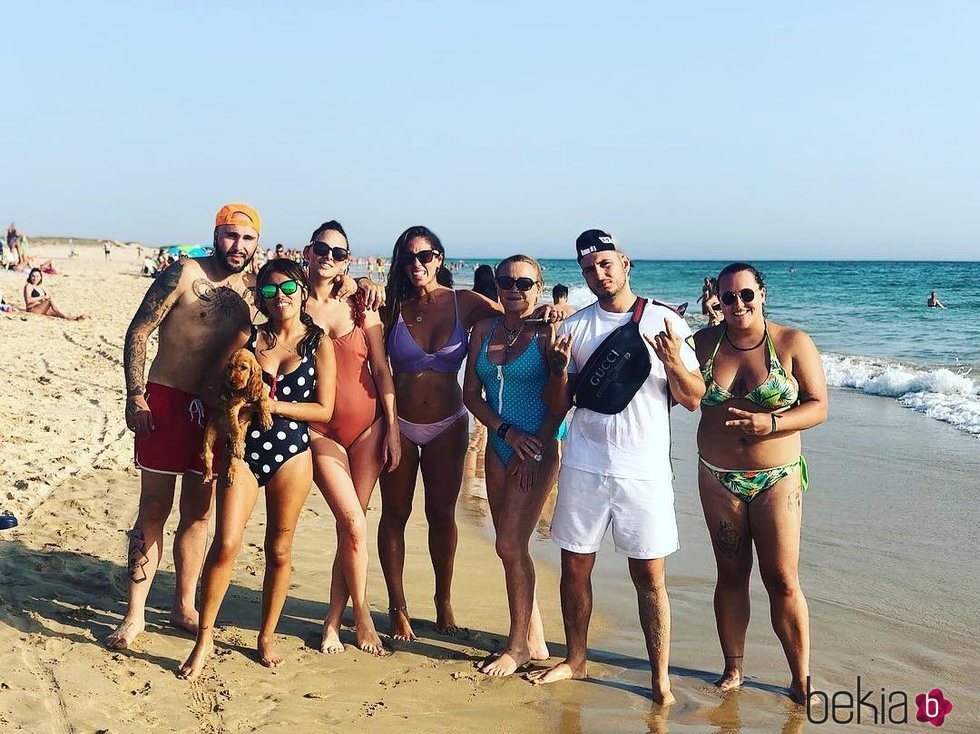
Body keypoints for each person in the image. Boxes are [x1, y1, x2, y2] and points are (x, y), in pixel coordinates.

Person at [530, 229, 704, 705]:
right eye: (589, 269)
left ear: (625, 263)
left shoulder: (665, 322)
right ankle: (576, 658)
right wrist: (558, 368)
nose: (599, 274)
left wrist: (673, 363)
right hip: (585, 465)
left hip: (644, 471)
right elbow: (558, 406)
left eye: (606, 264)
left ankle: (660, 679)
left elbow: (692, 400)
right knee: (574, 567)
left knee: (650, 577)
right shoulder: (577, 327)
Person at [107, 203, 264, 650]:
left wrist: (362, 283)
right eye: (231, 235)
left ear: (257, 242)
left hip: (215, 412)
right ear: (216, 235)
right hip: (165, 399)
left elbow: (307, 297)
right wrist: (135, 393)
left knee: (199, 512)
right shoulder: (183, 273)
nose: (238, 246)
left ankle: (183, 605)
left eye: (248, 238)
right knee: (154, 507)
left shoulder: (255, 290)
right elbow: (139, 330)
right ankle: (135, 614)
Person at [178, 259, 337, 680]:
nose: (279, 297)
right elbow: (214, 385)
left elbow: (324, 408)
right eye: (269, 291)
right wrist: (230, 413)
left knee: (279, 549)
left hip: (292, 450)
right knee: (227, 542)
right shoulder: (249, 338)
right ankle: (204, 638)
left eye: (287, 289)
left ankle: (266, 636)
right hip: (242, 449)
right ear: (260, 296)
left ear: (302, 291)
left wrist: (268, 405)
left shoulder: (317, 342)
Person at [692, 262, 827, 703]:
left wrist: (770, 424)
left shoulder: (791, 342)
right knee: (730, 573)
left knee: (783, 579)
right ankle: (733, 668)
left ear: (762, 294)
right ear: (718, 300)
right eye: (728, 297)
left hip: (778, 478)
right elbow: (679, 394)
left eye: (746, 294)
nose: (738, 304)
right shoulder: (703, 344)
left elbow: (818, 406)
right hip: (718, 477)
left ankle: (799, 675)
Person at [379, 225, 514, 641]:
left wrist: (553, 313)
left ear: (439, 258)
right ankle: (398, 606)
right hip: (397, 424)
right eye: (408, 258)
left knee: (441, 514)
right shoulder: (391, 306)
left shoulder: (464, 303)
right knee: (395, 515)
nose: (416, 265)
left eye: (425, 256)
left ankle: (443, 600)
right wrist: (363, 282)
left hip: (448, 424)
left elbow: (515, 316)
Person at [303, 220, 401, 656]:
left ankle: (330, 622)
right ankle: (362, 618)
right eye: (322, 249)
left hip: (370, 427)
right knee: (354, 522)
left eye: (339, 253)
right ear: (308, 251)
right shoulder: (289, 300)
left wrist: (394, 429)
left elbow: (381, 369)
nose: (329, 257)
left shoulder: (361, 303)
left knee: (352, 528)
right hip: (320, 430)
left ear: (348, 258)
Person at [463, 255, 564, 676]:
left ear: (539, 288)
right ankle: (533, 639)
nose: (514, 288)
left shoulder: (550, 332)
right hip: (502, 444)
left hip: (538, 449)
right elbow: (471, 394)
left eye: (524, 282)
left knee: (509, 544)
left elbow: (562, 402)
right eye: (506, 281)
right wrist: (505, 434)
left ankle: (516, 647)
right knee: (511, 545)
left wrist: (536, 447)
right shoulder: (484, 331)